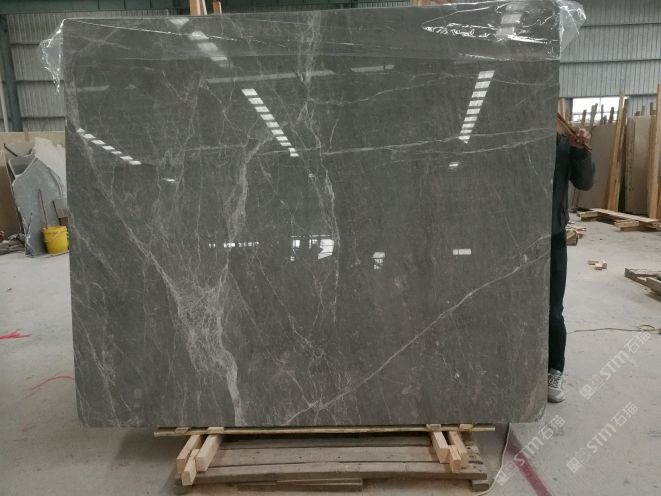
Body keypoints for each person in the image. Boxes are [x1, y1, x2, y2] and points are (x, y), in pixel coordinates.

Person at [548, 123, 595, 403]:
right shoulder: (515, 135)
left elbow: (585, 182)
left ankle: (554, 369)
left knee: (553, 311)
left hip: (552, 236)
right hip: (514, 238)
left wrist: (580, 151)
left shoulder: (565, 143)